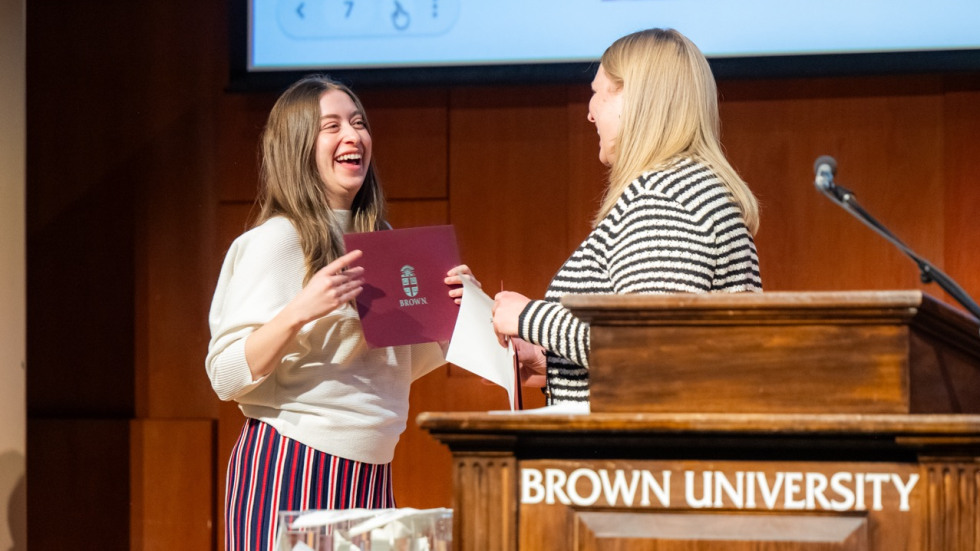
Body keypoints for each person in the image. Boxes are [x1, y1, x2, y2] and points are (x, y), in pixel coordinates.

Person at [205, 74, 475, 551]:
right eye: (332, 127)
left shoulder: (381, 238)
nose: (353, 136)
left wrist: (454, 311)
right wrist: (299, 311)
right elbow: (226, 376)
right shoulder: (278, 240)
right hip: (294, 465)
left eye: (358, 123)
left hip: (371, 471)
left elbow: (392, 368)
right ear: (297, 147)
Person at [492, 28, 762, 405]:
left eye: (597, 94)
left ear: (633, 99)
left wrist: (528, 317)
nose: (589, 113)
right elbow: (671, 347)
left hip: (643, 457)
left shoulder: (665, 197)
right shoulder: (688, 187)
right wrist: (551, 364)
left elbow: (645, 349)